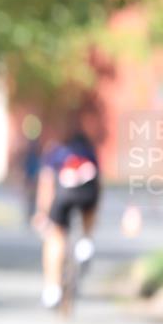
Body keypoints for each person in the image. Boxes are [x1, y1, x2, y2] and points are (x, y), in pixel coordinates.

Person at [31, 128, 100, 309]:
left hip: (64, 193)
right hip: (88, 192)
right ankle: (86, 243)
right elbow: (98, 186)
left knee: (55, 236)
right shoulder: (88, 150)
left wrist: (42, 212)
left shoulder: (54, 152)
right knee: (89, 207)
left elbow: (46, 184)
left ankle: (52, 287)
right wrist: (91, 220)